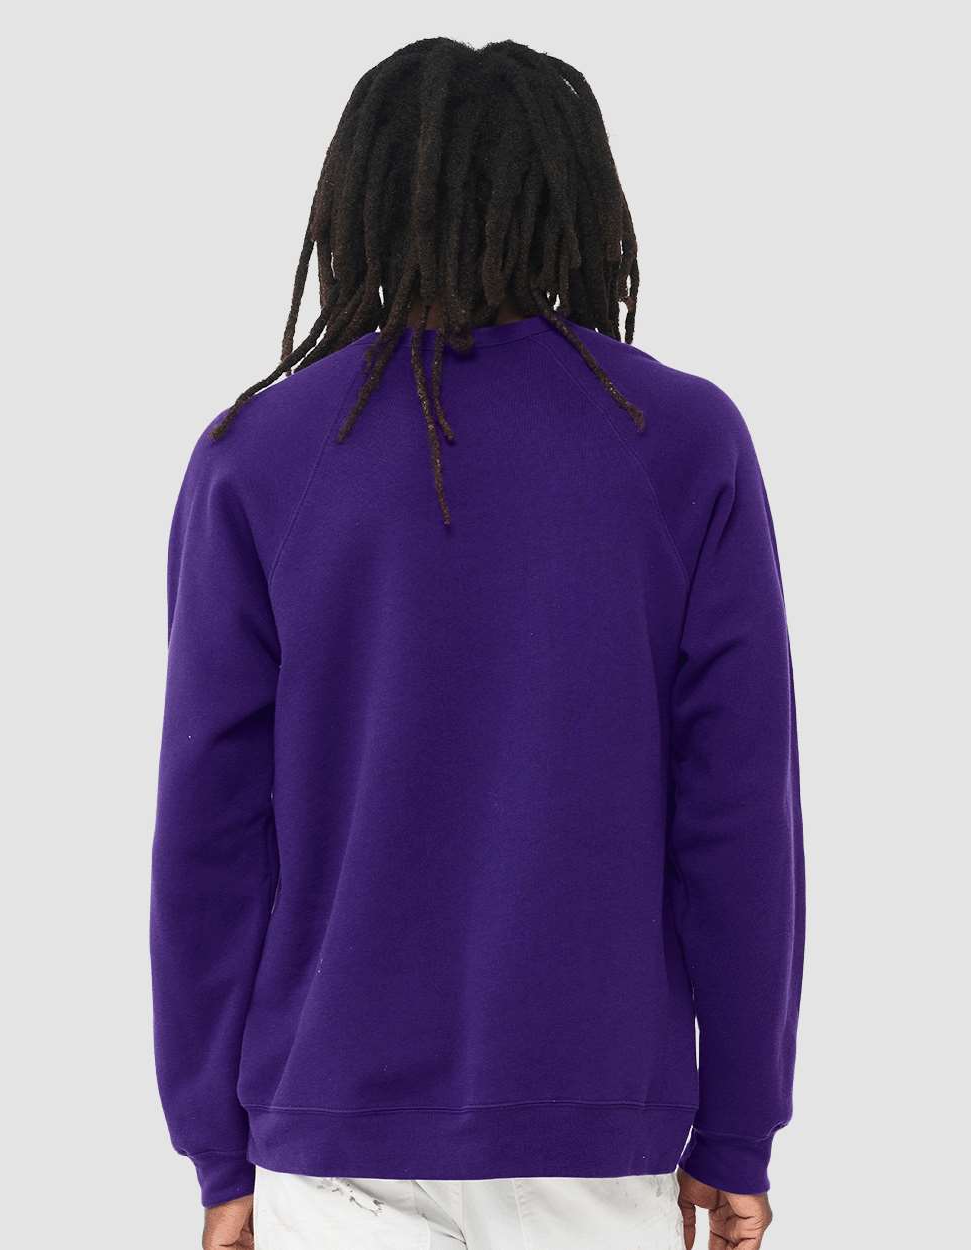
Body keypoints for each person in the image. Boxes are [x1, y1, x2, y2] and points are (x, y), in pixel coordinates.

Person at [151, 37, 804, 1250]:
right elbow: (737, 815)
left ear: (359, 201)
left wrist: (216, 1149)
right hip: (593, 1136)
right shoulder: (681, 440)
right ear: (577, 203)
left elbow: (209, 833)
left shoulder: (258, 455)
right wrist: (735, 1132)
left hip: (328, 1132)